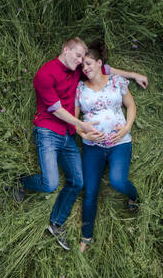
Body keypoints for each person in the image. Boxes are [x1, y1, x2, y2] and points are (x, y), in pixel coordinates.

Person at [16, 37, 147, 250]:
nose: (81, 63)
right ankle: (21, 182)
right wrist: (83, 130)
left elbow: (108, 70)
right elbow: (58, 110)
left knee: (81, 182)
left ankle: (56, 224)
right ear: (65, 49)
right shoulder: (47, 74)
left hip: (80, 136)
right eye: (78, 57)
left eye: (85, 61)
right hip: (52, 132)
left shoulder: (86, 72)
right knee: (54, 184)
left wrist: (134, 75)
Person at [74, 39, 141, 253]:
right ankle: (86, 236)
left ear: (99, 63)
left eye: (88, 63)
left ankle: (135, 196)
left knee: (118, 181)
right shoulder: (80, 88)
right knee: (90, 190)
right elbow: (75, 123)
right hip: (93, 146)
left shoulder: (116, 81)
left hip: (120, 142)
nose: (85, 68)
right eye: (82, 66)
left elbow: (130, 105)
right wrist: (86, 135)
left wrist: (127, 126)